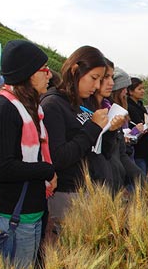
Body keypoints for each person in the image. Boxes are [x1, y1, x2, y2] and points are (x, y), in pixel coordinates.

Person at [0, 40, 56, 269]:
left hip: (31, 212)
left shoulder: (32, 109)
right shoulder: (3, 110)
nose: (49, 76)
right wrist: (46, 170)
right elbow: (3, 168)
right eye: (43, 70)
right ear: (26, 74)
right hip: (11, 216)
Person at [40, 46, 114, 241]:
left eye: (100, 79)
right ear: (75, 70)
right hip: (67, 193)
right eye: (94, 78)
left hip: (91, 189)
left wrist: (110, 131)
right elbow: (58, 157)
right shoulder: (53, 105)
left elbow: (100, 150)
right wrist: (93, 128)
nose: (97, 86)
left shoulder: (86, 102)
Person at [83, 61, 143, 193]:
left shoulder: (112, 109)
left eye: (111, 77)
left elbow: (119, 153)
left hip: (113, 184)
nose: (111, 82)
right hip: (93, 188)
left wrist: (140, 179)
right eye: (106, 77)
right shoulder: (83, 111)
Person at [127, 77, 148, 174]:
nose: (143, 91)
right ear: (130, 91)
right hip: (137, 149)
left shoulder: (140, 105)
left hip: (146, 147)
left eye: (143, 88)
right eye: (139, 89)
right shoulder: (128, 107)